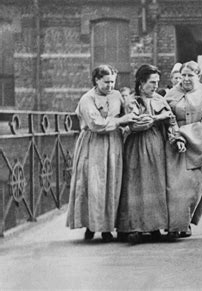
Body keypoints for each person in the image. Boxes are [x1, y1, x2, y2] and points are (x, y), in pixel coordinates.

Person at [66, 64, 139, 242]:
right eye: (106, 82)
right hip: (93, 144)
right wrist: (121, 120)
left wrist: (133, 112)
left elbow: (128, 110)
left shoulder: (115, 96)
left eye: (112, 82)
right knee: (94, 184)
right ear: (97, 80)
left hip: (113, 143)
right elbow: (96, 124)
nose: (110, 86)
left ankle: (108, 227)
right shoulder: (87, 99)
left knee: (112, 182)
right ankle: (92, 226)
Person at [116, 64, 181, 244]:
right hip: (136, 145)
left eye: (157, 82)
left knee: (156, 184)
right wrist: (156, 119)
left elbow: (172, 120)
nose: (154, 86)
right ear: (141, 83)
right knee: (135, 185)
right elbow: (135, 124)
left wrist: (176, 136)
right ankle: (133, 227)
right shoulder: (132, 101)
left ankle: (154, 227)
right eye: (151, 82)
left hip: (157, 145)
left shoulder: (160, 99)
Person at [165, 61, 202, 239]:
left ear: (198, 77)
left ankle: (185, 223)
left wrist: (185, 133)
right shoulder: (171, 94)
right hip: (174, 146)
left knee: (192, 187)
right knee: (174, 186)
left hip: (197, 146)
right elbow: (165, 117)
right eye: (184, 75)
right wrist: (174, 135)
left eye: (190, 75)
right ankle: (174, 225)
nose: (186, 79)